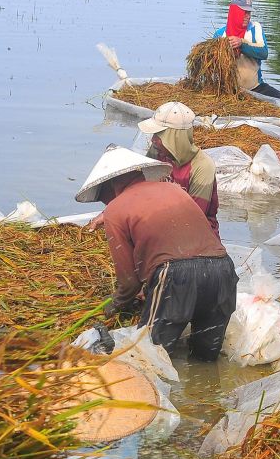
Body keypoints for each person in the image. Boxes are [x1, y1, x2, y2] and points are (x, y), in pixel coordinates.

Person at [76, 146, 237, 361]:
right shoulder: (175, 190)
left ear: (112, 184)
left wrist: (115, 304)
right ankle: (206, 393)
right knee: (205, 359)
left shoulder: (115, 210)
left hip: (176, 275)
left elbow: (129, 281)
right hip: (223, 269)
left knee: (151, 357)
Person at [138, 102, 220, 236]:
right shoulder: (157, 153)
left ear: (173, 138)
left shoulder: (202, 166)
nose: (153, 140)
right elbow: (139, 190)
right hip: (160, 226)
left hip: (197, 238)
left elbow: (194, 219)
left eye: (159, 135)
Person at [213, 0, 280, 102]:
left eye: (249, 12)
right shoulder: (220, 35)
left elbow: (264, 53)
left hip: (256, 89)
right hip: (229, 90)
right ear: (235, 12)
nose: (248, 16)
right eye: (244, 12)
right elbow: (213, 65)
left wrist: (242, 44)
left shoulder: (256, 29)